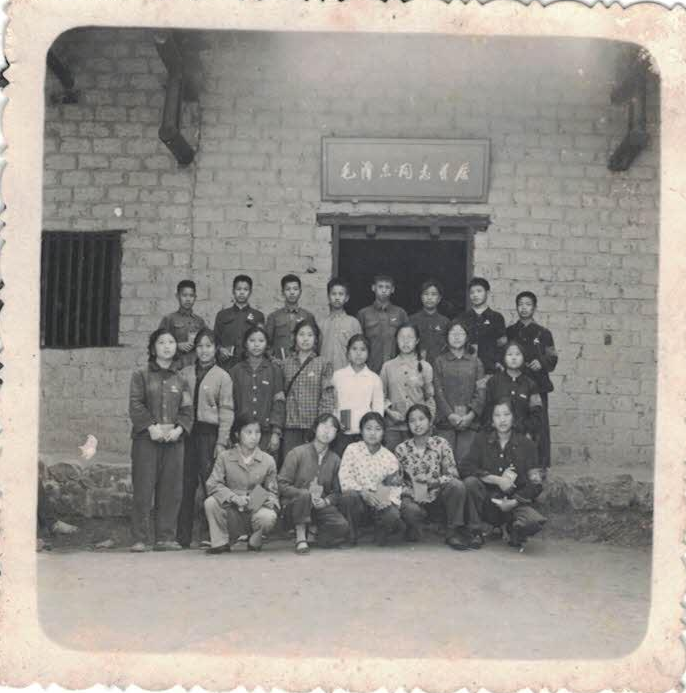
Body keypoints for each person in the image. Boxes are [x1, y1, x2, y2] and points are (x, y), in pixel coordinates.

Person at [128, 328, 193, 552]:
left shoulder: (182, 379)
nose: (167, 346)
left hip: (174, 442)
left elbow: (187, 410)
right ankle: (140, 538)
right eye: (162, 342)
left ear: (176, 348)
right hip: (146, 440)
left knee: (171, 490)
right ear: (153, 348)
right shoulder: (141, 375)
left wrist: (179, 430)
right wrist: (150, 427)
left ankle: (165, 538)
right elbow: (135, 405)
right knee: (143, 488)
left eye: (171, 342)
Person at [460, 399, 547, 550]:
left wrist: (514, 501)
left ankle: (512, 529)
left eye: (507, 414)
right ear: (492, 420)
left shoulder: (527, 445)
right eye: (497, 415)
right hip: (487, 502)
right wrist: (496, 480)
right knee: (470, 482)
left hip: (514, 503)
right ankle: (476, 532)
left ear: (514, 417)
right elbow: (465, 467)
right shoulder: (481, 440)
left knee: (533, 521)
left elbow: (536, 484)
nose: (502, 420)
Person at [176, 328, 235, 548]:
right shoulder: (185, 373)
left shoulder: (223, 376)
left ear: (216, 348)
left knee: (211, 484)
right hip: (187, 434)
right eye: (200, 346)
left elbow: (227, 411)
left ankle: (214, 535)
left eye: (209, 346)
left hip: (209, 435)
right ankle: (182, 537)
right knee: (186, 485)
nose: (204, 350)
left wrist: (221, 442)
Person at [395, 404, 480, 550]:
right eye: (412, 421)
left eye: (421, 419)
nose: (417, 424)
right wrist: (411, 492)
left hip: (438, 496)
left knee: (457, 486)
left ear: (430, 421)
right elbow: (398, 481)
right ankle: (415, 527)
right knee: (409, 509)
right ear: (408, 425)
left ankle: (453, 532)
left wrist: (434, 482)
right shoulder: (401, 449)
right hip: (414, 498)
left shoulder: (441, 444)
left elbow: (453, 474)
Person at [204, 414, 279, 553]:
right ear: (237, 434)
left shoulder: (268, 460)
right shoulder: (224, 457)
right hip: (231, 509)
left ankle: (255, 538)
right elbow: (213, 484)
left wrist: (253, 500)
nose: (254, 437)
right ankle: (221, 542)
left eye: (257, 432)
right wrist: (234, 497)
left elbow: (272, 492)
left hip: (255, 510)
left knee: (268, 516)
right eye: (248, 432)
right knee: (211, 502)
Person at [278, 413, 349, 554]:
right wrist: (302, 494)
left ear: (336, 434)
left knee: (342, 526)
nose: (327, 431)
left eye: (332, 428)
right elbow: (282, 484)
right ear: (315, 428)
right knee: (305, 495)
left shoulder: (335, 460)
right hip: (294, 505)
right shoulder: (297, 453)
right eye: (324, 426)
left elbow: (337, 492)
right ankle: (300, 536)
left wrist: (326, 501)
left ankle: (313, 533)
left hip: (318, 507)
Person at [506, 291, 558, 471]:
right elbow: (502, 355)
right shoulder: (510, 332)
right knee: (515, 420)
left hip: (538, 384)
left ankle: (541, 465)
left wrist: (541, 362)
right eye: (520, 304)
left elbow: (553, 358)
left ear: (534, 308)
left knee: (539, 423)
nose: (524, 308)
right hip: (515, 383)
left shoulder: (544, 333)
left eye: (528, 304)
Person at [338, 412, 405, 546]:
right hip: (359, 499)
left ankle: (380, 529)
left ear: (383, 432)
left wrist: (387, 501)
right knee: (348, 496)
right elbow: (345, 477)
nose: (373, 433)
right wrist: (363, 492)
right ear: (361, 431)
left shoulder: (389, 457)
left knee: (392, 516)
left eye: (378, 429)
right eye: (368, 428)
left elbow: (395, 486)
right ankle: (351, 535)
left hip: (379, 501)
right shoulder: (352, 449)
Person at [433, 319, 486, 464]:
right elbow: (437, 391)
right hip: (445, 422)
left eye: (461, 333)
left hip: (469, 422)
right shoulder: (439, 361)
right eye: (453, 333)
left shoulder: (476, 362)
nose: (456, 337)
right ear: (446, 337)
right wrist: (450, 415)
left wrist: (470, 415)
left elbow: (481, 391)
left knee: (465, 463)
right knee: (445, 462)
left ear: (467, 337)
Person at [281, 320, 335, 463]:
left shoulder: (323, 363)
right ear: (295, 337)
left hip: (313, 426)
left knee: (311, 464)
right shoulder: (285, 363)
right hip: (291, 425)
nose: (305, 339)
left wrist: (322, 425)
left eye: (310, 335)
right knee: (291, 463)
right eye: (301, 334)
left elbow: (327, 397)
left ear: (316, 339)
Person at [229, 325, 285, 455]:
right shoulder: (235, 371)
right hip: (241, 434)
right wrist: (231, 433)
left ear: (267, 344)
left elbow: (279, 403)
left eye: (261, 341)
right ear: (245, 343)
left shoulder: (274, 370)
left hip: (266, 434)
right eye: (252, 340)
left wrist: (276, 432)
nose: (256, 344)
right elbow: (229, 404)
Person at [380, 323, 436, 451]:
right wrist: (389, 412)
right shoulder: (387, 367)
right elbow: (381, 396)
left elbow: (430, 398)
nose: (405, 341)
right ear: (396, 340)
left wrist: (428, 424)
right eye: (401, 337)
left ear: (417, 340)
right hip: (393, 427)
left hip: (418, 428)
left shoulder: (425, 367)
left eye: (410, 337)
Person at [331, 334, 384, 456]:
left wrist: (373, 430)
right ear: (348, 352)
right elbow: (333, 403)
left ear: (368, 353)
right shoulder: (338, 376)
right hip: (342, 432)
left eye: (363, 349)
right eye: (354, 349)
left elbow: (378, 408)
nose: (358, 353)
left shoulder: (374, 378)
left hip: (365, 434)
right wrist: (335, 424)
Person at [483, 341, 543, 441]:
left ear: (523, 357)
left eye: (518, 354)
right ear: (504, 357)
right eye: (509, 354)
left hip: (523, 437)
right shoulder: (493, 382)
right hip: (497, 437)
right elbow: (487, 410)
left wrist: (528, 432)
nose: (514, 358)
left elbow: (536, 413)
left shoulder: (530, 384)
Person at [356, 274, 409, 373]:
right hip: (370, 368)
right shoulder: (363, 314)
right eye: (380, 286)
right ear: (373, 288)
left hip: (396, 368)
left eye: (387, 287)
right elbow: (358, 343)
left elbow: (408, 341)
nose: (384, 290)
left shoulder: (400, 313)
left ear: (392, 289)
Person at [213, 274, 265, 366]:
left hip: (250, 364)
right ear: (233, 291)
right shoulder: (222, 315)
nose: (242, 292)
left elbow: (262, 341)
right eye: (238, 289)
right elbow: (215, 339)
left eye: (245, 289)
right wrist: (220, 349)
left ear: (250, 292)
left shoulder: (258, 316)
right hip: (227, 364)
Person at [458, 277, 507, 375]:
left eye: (479, 291)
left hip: (490, 368)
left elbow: (502, 344)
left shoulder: (496, 317)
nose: (475, 295)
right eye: (472, 292)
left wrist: (499, 361)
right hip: (466, 368)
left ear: (487, 293)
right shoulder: (463, 317)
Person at [158, 280, 207, 369]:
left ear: (195, 297)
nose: (188, 299)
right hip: (175, 367)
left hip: (195, 367)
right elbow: (159, 343)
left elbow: (207, 342)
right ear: (177, 296)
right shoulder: (169, 319)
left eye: (191, 296)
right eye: (184, 295)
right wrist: (177, 345)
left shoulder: (199, 321)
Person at [265, 274, 316, 360]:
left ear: (300, 292)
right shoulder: (273, 317)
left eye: (295, 289)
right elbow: (266, 343)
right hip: (279, 363)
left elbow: (314, 343)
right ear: (282, 292)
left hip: (302, 363)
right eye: (288, 289)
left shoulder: (308, 316)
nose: (292, 292)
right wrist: (273, 360)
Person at [319, 277, 362, 373]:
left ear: (347, 298)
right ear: (328, 297)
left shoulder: (353, 323)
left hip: (347, 374)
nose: (337, 297)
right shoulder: (321, 323)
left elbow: (359, 351)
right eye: (333, 294)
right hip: (325, 374)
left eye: (341, 294)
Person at [409, 279, 451, 365]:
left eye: (433, 294)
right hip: (416, 365)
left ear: (439, 298)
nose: (429, 297)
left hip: (440, 366)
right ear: (421, 297)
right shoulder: (412, 320)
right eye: (426, 294)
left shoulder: (445, 322)